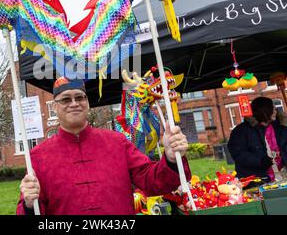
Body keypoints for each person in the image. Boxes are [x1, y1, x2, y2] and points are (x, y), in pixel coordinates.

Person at [16, 77, 191, 215]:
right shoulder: (38, 156)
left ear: (88, 103)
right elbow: (32, 210)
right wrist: (29, 204)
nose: (74, 103)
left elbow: (152, 181)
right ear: (55, 107)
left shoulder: (117, 142)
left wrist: (170, 157)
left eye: (80, 97)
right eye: (65, 100)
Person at [228, 96, 287, 181]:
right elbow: (238, 153)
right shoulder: (241, 130)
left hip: (282, 176)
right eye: (273, 109)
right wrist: (260, 161)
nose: (275, 112)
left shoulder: (280, 127)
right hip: (256, 179)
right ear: (264, 110)